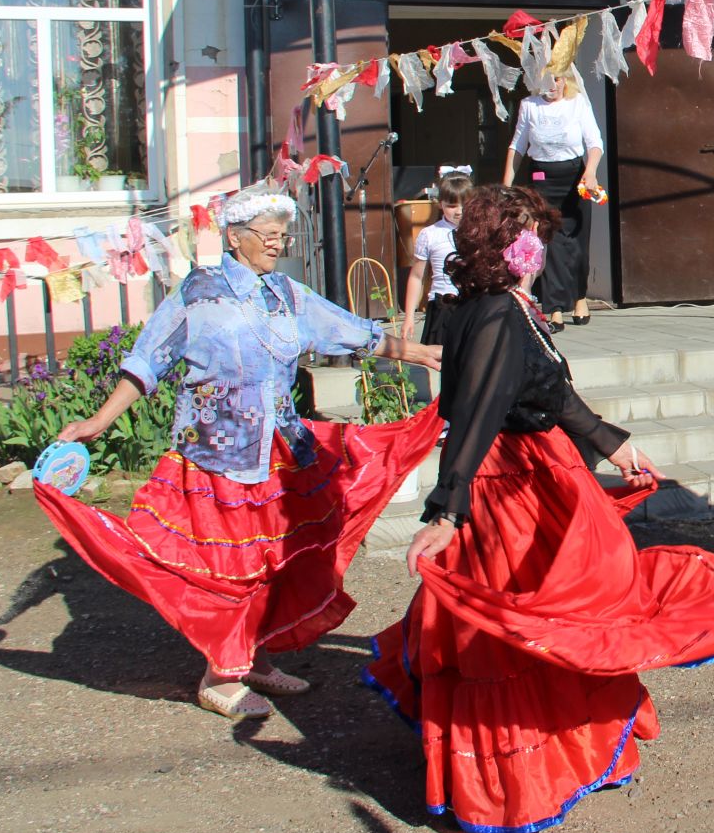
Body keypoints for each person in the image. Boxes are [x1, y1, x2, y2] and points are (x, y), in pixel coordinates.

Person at [365, 185, 714, 833]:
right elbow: (479, 416)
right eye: (528, 233)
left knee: (558, 610)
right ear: (502, 245)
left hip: (538, 470)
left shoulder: (505, 306)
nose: (539, 245)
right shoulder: (494, 316)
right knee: (521, 621)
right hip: (508, 485)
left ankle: (571, 750)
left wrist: (609, 440)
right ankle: (509, 784)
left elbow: (552, 392)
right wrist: (446, 512)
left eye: (538, 232)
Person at [36, 187, 444, 720]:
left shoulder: (286, 294)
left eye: (282, 236)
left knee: (272, 561)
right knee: (231, 567)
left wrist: (423, 352)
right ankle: (218, 675)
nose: (279, 245)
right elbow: (146, 362)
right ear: (235, 238)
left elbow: (349, 332)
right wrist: (98, 421)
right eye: (268, 236)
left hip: (279, 452)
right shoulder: (197, 295)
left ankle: (254, 657)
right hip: (217, 455)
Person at [504, 67, 602, 327]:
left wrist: (590, 172)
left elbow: (594, 142)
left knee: (578, 243)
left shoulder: (577, 102)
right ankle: (555, 306)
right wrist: (505, 187)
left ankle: (579, 297)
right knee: (549, 240)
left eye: (557, 79)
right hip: (542, 177)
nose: (552, 85)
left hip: (574, 176)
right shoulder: (529, 106)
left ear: (565, 80)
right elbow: (517, 146)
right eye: (547, 79)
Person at [402, 169, 470, 345]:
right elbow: (417, 276)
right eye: (452, 205)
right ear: (440, 204)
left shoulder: (480, 231)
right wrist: (409, 316)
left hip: (473, 305)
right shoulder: (430, 234)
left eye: (464, 204)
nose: (459, 211)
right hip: (442, 305)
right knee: (441, 360)